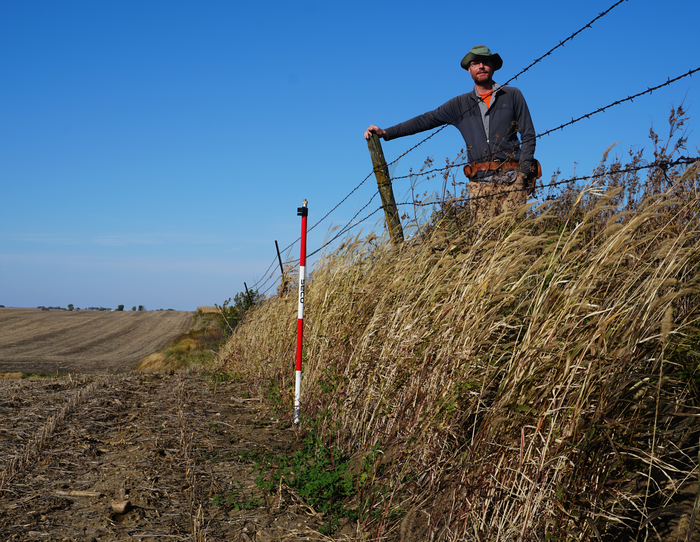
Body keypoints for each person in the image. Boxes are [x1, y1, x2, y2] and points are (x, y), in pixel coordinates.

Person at [364, 45, 539, 221]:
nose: (481, 66)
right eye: (475, 63)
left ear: (492, 66)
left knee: (513, 236)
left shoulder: (512, 95)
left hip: (511, 181)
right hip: (479, 184)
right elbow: (426, 119)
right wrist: (386, 132)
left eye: (485, 62)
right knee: (484, 242)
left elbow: (528, 135)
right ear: (469, 70)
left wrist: (521, 177)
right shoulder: (460, 104)